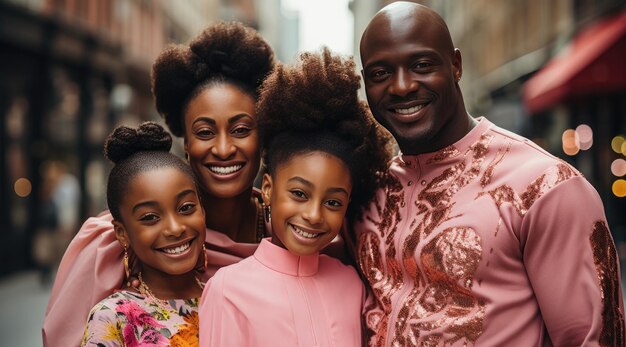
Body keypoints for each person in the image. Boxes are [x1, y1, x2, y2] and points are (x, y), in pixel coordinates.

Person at [352, 2, 625, 346]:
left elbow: (593, 339)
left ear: (456, 65)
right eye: (380, 74)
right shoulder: (366, 193)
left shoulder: (545, 185)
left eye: (421, 65)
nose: (402, 86)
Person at [42, 21, 274, 347]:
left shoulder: (292, 230)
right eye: (205, 132)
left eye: (240, 130)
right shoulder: (108, 241)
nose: (223, 149)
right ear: (187, 142)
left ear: (261, 137)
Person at [198, 48, 392, 347]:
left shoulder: (351, 284)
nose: (314, 214)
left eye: (333, 202)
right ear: (267, 189)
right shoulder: (228, 290)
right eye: (299, 193)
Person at [80, 121, 206, 346]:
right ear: (122, 232)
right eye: (150, 217)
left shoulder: (228, 297)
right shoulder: (112, 318)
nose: (175, 228)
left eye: (186, 208)